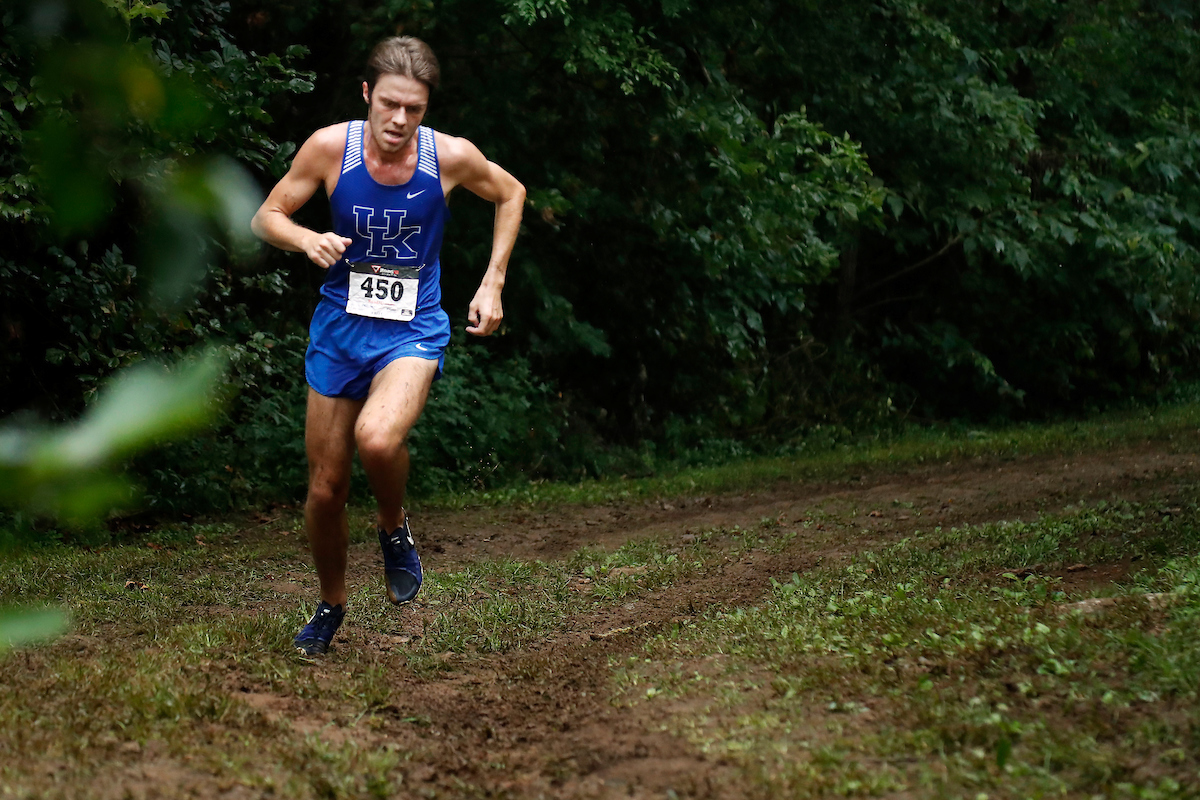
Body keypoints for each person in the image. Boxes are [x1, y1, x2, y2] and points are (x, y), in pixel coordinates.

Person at [250, 36, 525, 655]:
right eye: (391, 105)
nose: (401, 121)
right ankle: (330, 605)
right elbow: (266, 215)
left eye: (416, 110)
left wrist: (493, 281)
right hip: (340, 327)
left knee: (377, 438)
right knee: (325, 489)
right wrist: (304, 239)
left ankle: (394, 526)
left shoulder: (448, 157)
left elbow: (511, 193)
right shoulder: (329, 148)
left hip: (412, 326)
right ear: (368, 94)